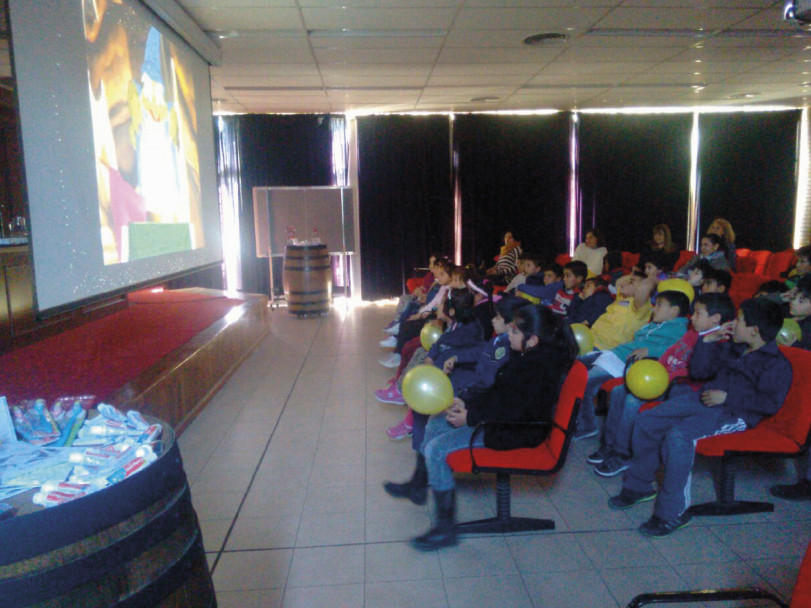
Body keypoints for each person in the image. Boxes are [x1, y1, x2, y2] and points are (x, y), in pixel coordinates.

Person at [386, 304, 577, 551]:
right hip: (503, 420)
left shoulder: (535, 368)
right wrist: (466, 403)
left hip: (515, 431)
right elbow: (501, 395)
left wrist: (470, 417)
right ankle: (419, 486)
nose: (509, 334)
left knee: (436, 449)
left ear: (532, 340)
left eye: (515, 332)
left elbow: (512, 410)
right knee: (436, 422)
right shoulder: (531, 357)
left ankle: (446, 530)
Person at [609, 298, 791, 537]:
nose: (733, 324)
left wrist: (728, 398)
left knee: (679, 436)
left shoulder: (777, 364)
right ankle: (638, 486)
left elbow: (769, 404)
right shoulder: (734, 347)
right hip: (705, 399)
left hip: (735, 413)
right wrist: (707, 342)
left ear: (754, 330)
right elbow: (699, 372)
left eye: (739, 320)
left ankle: (671, 513)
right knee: (648, 420)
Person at [589, 293, 736, 477]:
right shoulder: (692, 332)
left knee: (633, 401)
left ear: (716, 318)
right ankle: (608, 445)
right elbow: (669, 353)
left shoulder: (718, 342)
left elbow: (695, 373)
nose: (692, 318)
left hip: (679, 386)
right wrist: (658, 368)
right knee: (619, 391)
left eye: (698, 314)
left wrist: (664, 377)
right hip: (661, 376)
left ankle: (623, 454)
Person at [574, 290, 690, 440]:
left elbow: (675, 351)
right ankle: (569, 414)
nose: (654, 309)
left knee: (586, 380)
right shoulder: (656, 324)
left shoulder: (679, 330)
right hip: (617, 354)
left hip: (628, 363)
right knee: (575, 365)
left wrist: (650, 350)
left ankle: (587, 425)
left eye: (659, 305)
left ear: (674, 311)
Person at [379, 258, 454, 368]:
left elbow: (438, 308)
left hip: (437, 319)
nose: (438, 276)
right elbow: (433, 303)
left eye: (442, 274)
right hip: (431, 312)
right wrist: (422, 312)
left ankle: (398, 348)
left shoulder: (449, 291)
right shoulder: (442, 286)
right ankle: (397, 349)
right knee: (407, 319)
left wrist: (422, 313)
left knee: (410, 322)